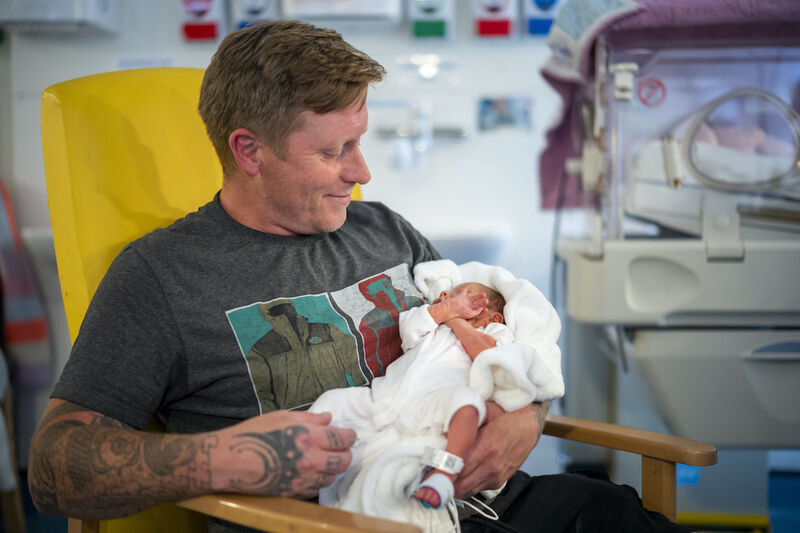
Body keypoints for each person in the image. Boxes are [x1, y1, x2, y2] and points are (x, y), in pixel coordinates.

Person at [27, 19, 695, 533]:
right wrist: (222, 458)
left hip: (499, 503)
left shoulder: (384, 228)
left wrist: (529, 415)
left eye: (360, 139)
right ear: (249, 150)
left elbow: (496, 336)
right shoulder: (161, 276)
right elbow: (54, 467)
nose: (362, 170)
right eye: (334, 150)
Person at [310, 281, 514, 531]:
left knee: (467, 406)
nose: (447, 296)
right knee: (333, 401)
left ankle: (444, 474)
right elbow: (409, 329)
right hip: (386, 397)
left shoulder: (496, 332)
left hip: (437, 404)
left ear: (494, 316)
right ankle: (307, 459)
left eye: (465, 294)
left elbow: (488, 355)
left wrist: (453, 317)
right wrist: (445, 311)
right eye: (448, 294)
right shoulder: (431, 323)